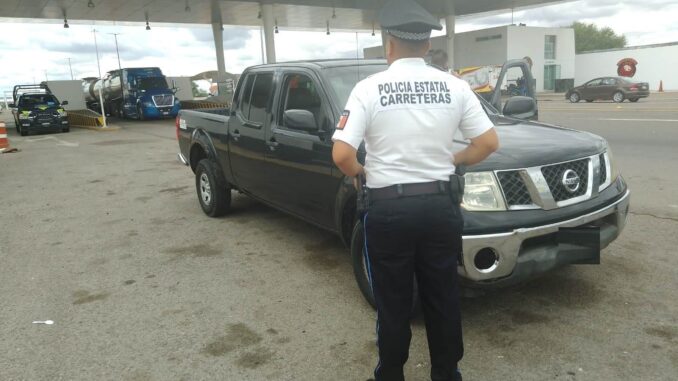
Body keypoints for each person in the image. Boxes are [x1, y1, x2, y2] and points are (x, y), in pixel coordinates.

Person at [331, 0, 499, 380]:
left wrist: (363, 172)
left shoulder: (368, 88)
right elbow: (488, 143)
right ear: (426, 45)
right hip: (440, 207)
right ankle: (446, 372)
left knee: (392, 300)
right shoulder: (454, 86)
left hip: (389, 212)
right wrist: (450, 160)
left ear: (388, 42)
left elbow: (341, 154)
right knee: (442, 294)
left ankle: (391, 372)